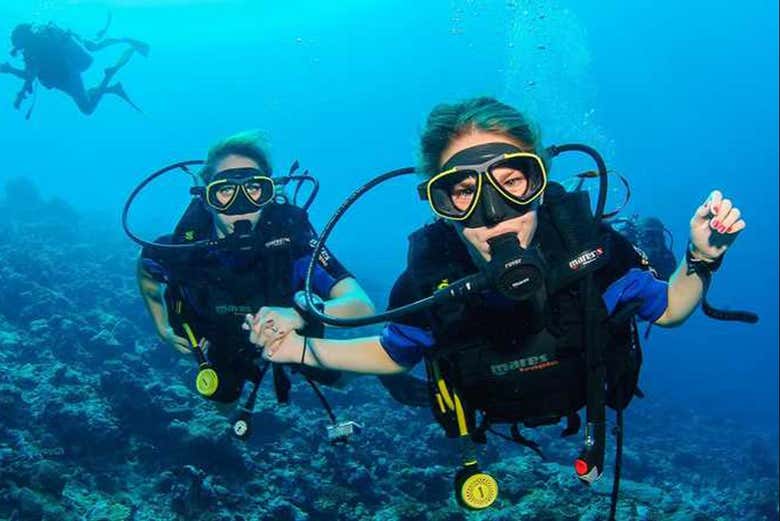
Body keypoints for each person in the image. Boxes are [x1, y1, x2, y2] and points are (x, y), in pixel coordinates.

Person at [246, 97, 748, 513]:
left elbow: (670, 309)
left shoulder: (594, 251)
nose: (492, 215)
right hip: (489, 417)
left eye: (512, 182)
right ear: (440, 204)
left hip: (586, 401)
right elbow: (394, 352)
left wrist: (701, 258)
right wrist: (299, 350)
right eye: (463, 191)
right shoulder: (428, 280)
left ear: (541, 183)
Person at [136, 131, 375, 439]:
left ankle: (392, 372)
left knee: (341, 378)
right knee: (221, 404)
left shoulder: (294, 244)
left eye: (253, 189)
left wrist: (303, 314)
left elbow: (360, 303)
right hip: (221, 339)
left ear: (270, 193)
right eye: (224, 191)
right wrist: (163, 329)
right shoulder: (184, 250)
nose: (241, 205)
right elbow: (145, 268)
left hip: (291, 337)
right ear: (205, 199)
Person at [0, 21, 148, 116]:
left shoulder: (33, 50)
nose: (19, 49)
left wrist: (9, 70)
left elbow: (30, 75)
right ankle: (124, 41)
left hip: (67, 76)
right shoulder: (44, 34)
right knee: (94, 45)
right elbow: (31, 74)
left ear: (23, 39)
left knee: (87, 108)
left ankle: (109, 76)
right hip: (72, 61)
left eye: (19, 45)